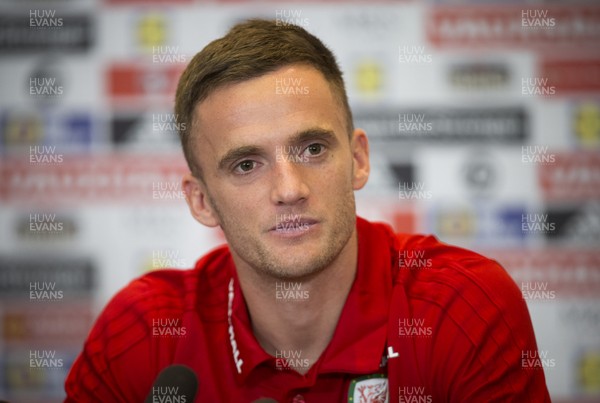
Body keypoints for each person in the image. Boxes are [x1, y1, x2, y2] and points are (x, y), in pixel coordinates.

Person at [65, 19, 550, 402]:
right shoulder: (143, 334)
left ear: (358, 160)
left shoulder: (462, 306)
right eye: (247, 164)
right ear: (202, 201)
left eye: (313, 149)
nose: (290, 189)